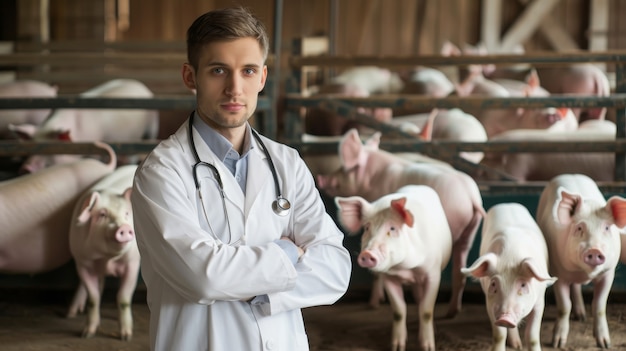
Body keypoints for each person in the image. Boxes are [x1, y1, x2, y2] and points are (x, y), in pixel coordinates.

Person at [131, 6, 352, 351]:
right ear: (190, 77)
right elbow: (203, 277)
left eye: (248, 71)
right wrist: (286, 252)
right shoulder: (161, 173)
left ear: (262, 78)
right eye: (219, 70)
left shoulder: (286, 164)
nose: (235, 88)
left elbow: (335, 269)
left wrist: (248, 282)